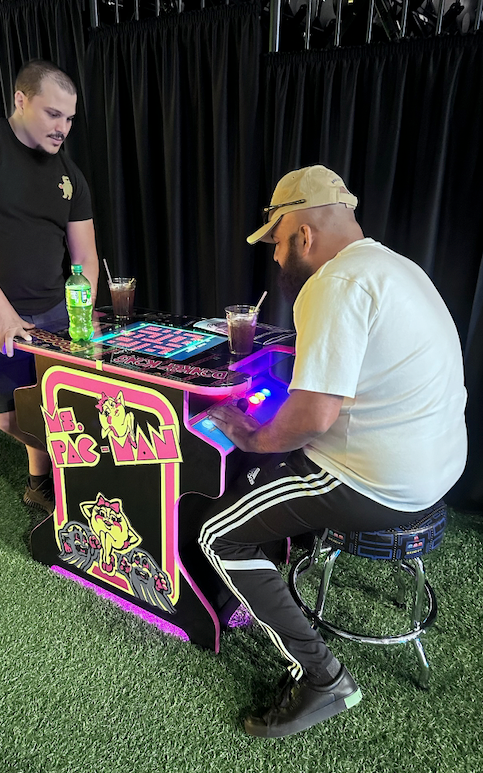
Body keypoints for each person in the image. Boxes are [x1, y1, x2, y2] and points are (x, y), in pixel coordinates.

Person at [199, 165, 467, 738]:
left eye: (274, 242)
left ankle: (323, 679)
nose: (274, 257)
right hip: (439, 469)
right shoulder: (397, 266)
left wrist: (251, 434)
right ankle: (268, 574)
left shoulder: (335, 283)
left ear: (302, 234)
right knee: (273, 463)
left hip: (380, 480)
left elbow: (313, 417)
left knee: (219, 535)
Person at [0, 59, 100, 514]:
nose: (62, 127)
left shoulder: (70, 173)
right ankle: (72, 476)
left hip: (57, 316)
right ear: (21, 100)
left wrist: (85, 310)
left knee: (57, 409)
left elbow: (85, 253)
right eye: (53, 114)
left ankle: (45, 484)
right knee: (11, 417)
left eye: (69, 118)